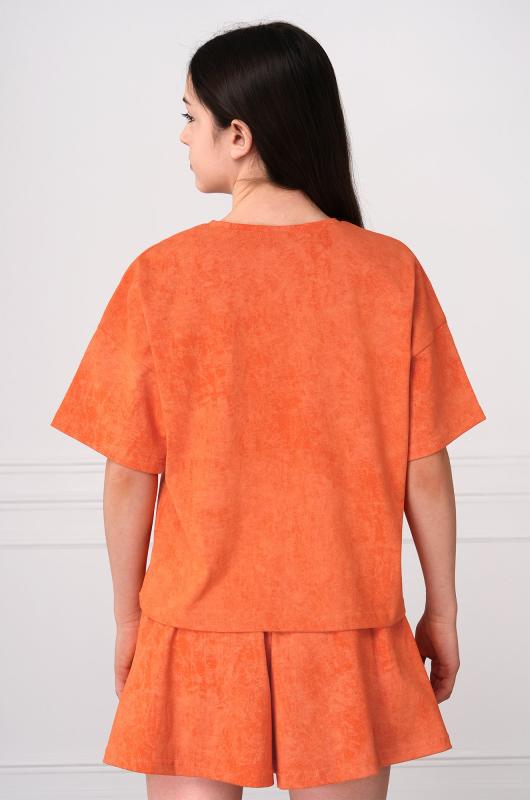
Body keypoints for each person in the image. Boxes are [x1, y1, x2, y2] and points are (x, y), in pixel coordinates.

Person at [49, 20, 487, 800]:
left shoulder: (162, 276)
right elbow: (424, 464)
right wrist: (442, 608)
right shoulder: (389, 272)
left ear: (239, 135)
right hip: (347, 619)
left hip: (194, 626)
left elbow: (128, 474)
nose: (183, 136)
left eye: (191, 116)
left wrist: (129, 621)